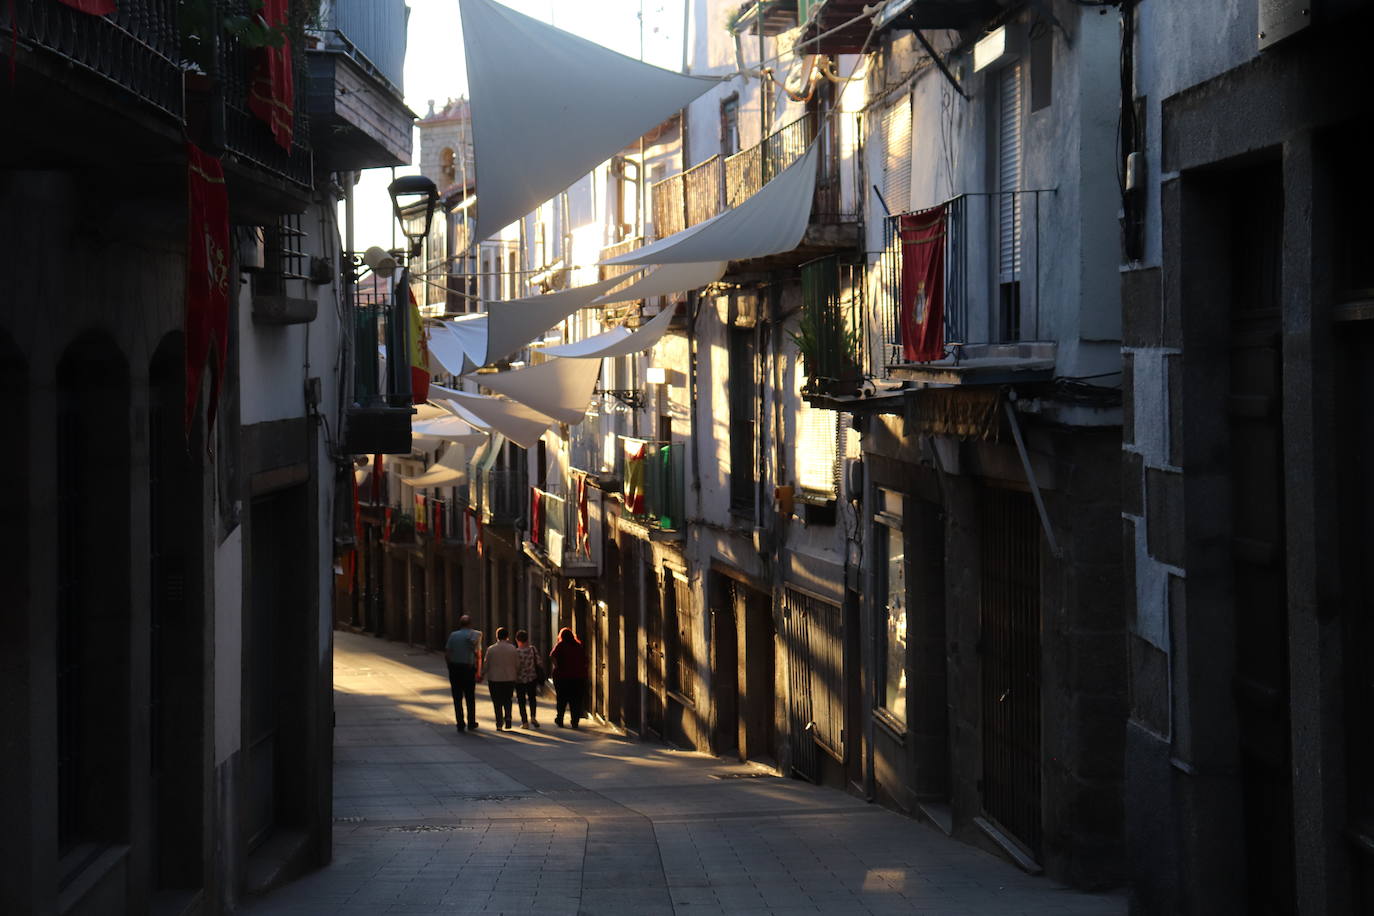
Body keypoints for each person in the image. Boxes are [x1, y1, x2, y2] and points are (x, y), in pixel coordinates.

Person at [445, 615, 483, 731]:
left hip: (455, 668)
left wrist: (450, 667)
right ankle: (471, 722)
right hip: (468, 669)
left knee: (457, 697)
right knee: (470, 697)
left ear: (460, 624)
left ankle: (460, 723)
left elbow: (447, 653)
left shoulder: (453, 635)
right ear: (470, 624)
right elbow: (478, 655)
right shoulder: (475, 635)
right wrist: (478, 671)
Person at [548, 627, 587, 729]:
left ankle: (560, 718)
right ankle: (575, 721)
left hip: (562, 677)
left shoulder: (560, 645)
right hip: (578, 677)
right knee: (576, 700)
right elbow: (585, 660)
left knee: (562, 699)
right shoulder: (579, 646)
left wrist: (557, 666)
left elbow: (552, 656)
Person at [484, 627, 519, 731]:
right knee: (508, 699)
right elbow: (517, 664)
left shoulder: (491, 649)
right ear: (507, 636)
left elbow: (486, 665)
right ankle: (508, 718)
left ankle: (499, 722)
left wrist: (481, 674)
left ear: (497, 636)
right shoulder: (513, 648)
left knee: (497, 701)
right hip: (509, 678)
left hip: (494, 679)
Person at [514, 629, 543, 728]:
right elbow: (539, 662)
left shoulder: (516, 652)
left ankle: (525, 722)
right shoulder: (532, 649)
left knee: (521, 701)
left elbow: (515, 666)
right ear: (527, 639)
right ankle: (533, 717)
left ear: (517, 640)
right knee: (532, 698)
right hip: (532, 678)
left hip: (519, 680)